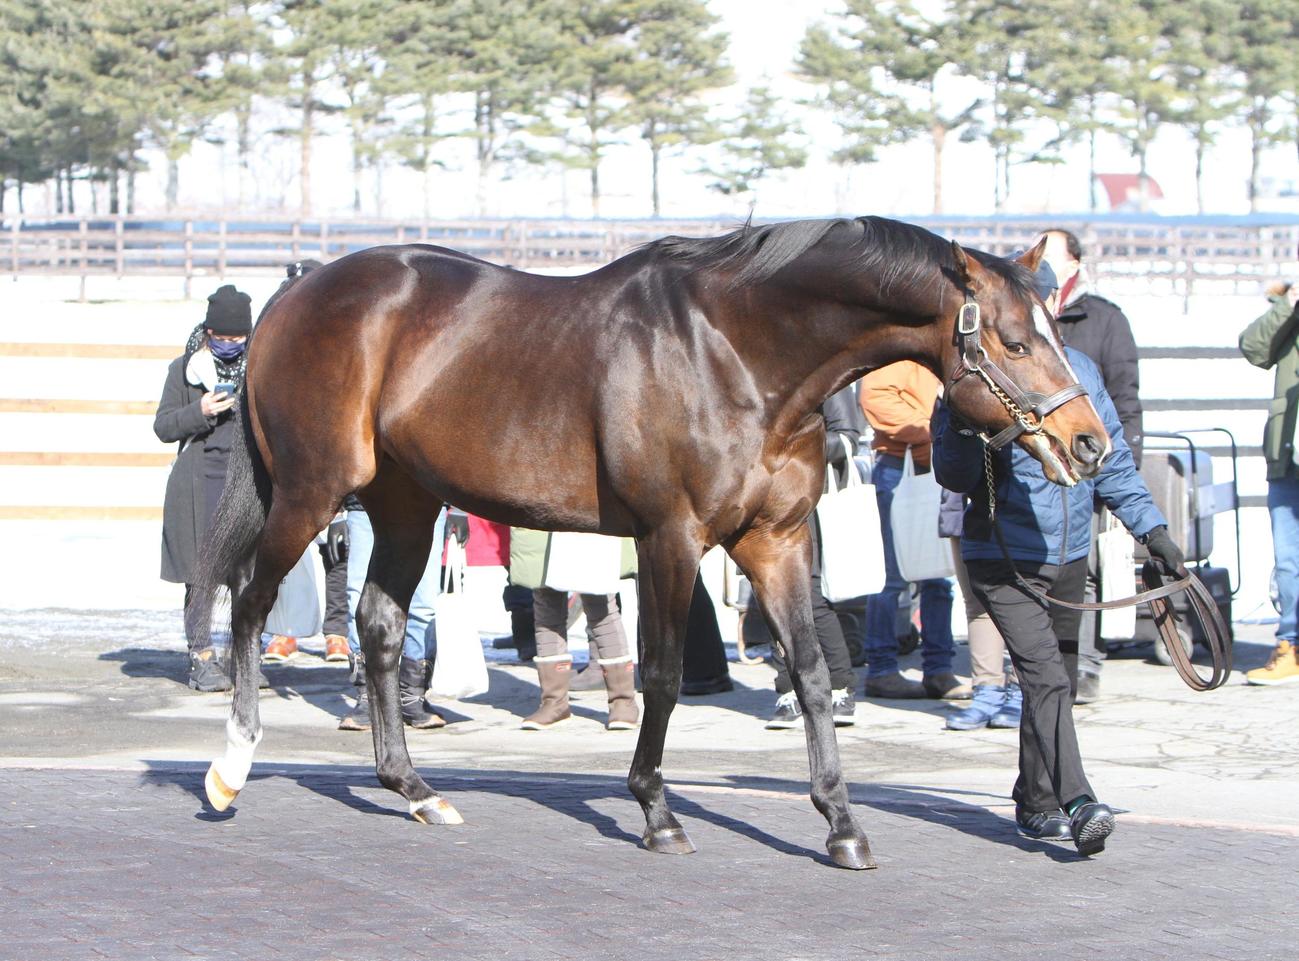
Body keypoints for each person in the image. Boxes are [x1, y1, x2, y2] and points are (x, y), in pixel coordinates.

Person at [932, 326, 1183, 855]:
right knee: (1045, 678)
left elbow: (1110, 460)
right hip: (1002, 557)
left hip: (1070, 555)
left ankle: (1035, 800)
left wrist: (1153, 532)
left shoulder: (1082, 370)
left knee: (1056, 685)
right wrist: (957, 417)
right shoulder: (978, 379)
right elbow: (952, 476)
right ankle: (1078, 801)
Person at [1042, 229, 1145, 701]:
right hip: (1043, 463)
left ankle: (1083, 665)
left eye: (1050, 255)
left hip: (1091, 461)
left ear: (1074, 264)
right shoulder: (1026, 315)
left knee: (1086, 568)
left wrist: (1122, 471)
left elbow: (1124, 398)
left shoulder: (1103, 319)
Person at [155, 284, 253, 692]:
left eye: (236, 339)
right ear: (208, 332)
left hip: (243, 482)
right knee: (201, 575)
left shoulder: (260, 368)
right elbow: (163, 426)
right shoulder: (185, 368)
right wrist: (200, 411)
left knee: (245, 575)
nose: (228, 345)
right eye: (221, 338)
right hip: (198, 480)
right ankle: (201, 657)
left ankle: (245, 658)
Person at [859, 361, 968, 700]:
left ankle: (938, 669)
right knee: (891, 577)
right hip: (899, 466)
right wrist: (932, 432)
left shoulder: (949, 354)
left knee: (939, 576)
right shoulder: (901, 356)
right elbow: (876, 399)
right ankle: (881, 669)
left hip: (938, 467)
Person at [766, 385, 864, 729]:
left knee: (810, 595)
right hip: (763, 498)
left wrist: (791, 447)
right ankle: (787, 689)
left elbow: (849, 438)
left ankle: (840, 685)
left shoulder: (829, 375)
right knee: (770, 595)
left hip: (809, 498)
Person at [509, 530, 639, 730]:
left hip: (586, 516)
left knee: (600, 604)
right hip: (539, 514)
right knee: (545, 605)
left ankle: (623, 701)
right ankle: (554, 702)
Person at [337, 497, 448, 730]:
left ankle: (412, 694)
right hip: (364, 503)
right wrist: (336, 512)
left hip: (426, 501)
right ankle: (368, 694)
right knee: (358, 597)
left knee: (423, 602)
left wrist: (459, 508)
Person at [1239, 276, 1299, 685]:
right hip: (1287, 455)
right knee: (1289, 561)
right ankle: (1290, 644)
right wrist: (1288, 304)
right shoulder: (1289, 311)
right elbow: (1254, 349)